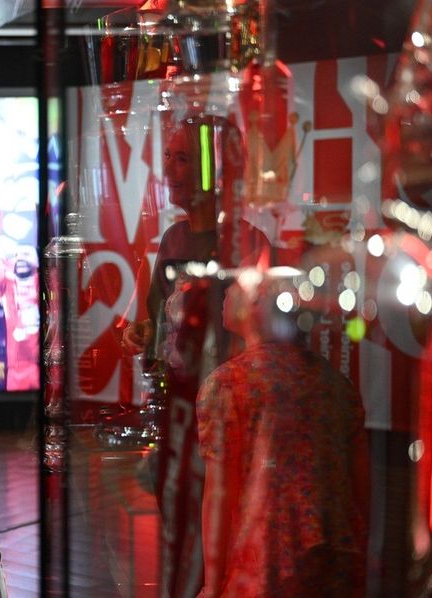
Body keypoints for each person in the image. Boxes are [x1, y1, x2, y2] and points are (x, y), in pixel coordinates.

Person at [119, 117, 270, 598]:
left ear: (215, 171)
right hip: (176, 416)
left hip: (223, 425)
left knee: (220, 536)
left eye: (182, 158)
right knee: (180, 528)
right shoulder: (171, 240)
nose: (170, 169)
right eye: (168, 156)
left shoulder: (249, 244)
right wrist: (144, 334)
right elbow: (157, 323)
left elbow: (257, 343)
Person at [197, 271, 369, 597]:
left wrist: (213, 582)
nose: (224, 292)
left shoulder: (227, 384)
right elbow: (359, 486)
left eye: (235, 284)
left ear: (258, 303)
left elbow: (219, 493)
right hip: (337, 561)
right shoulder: (336, 384)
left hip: (266, 567)